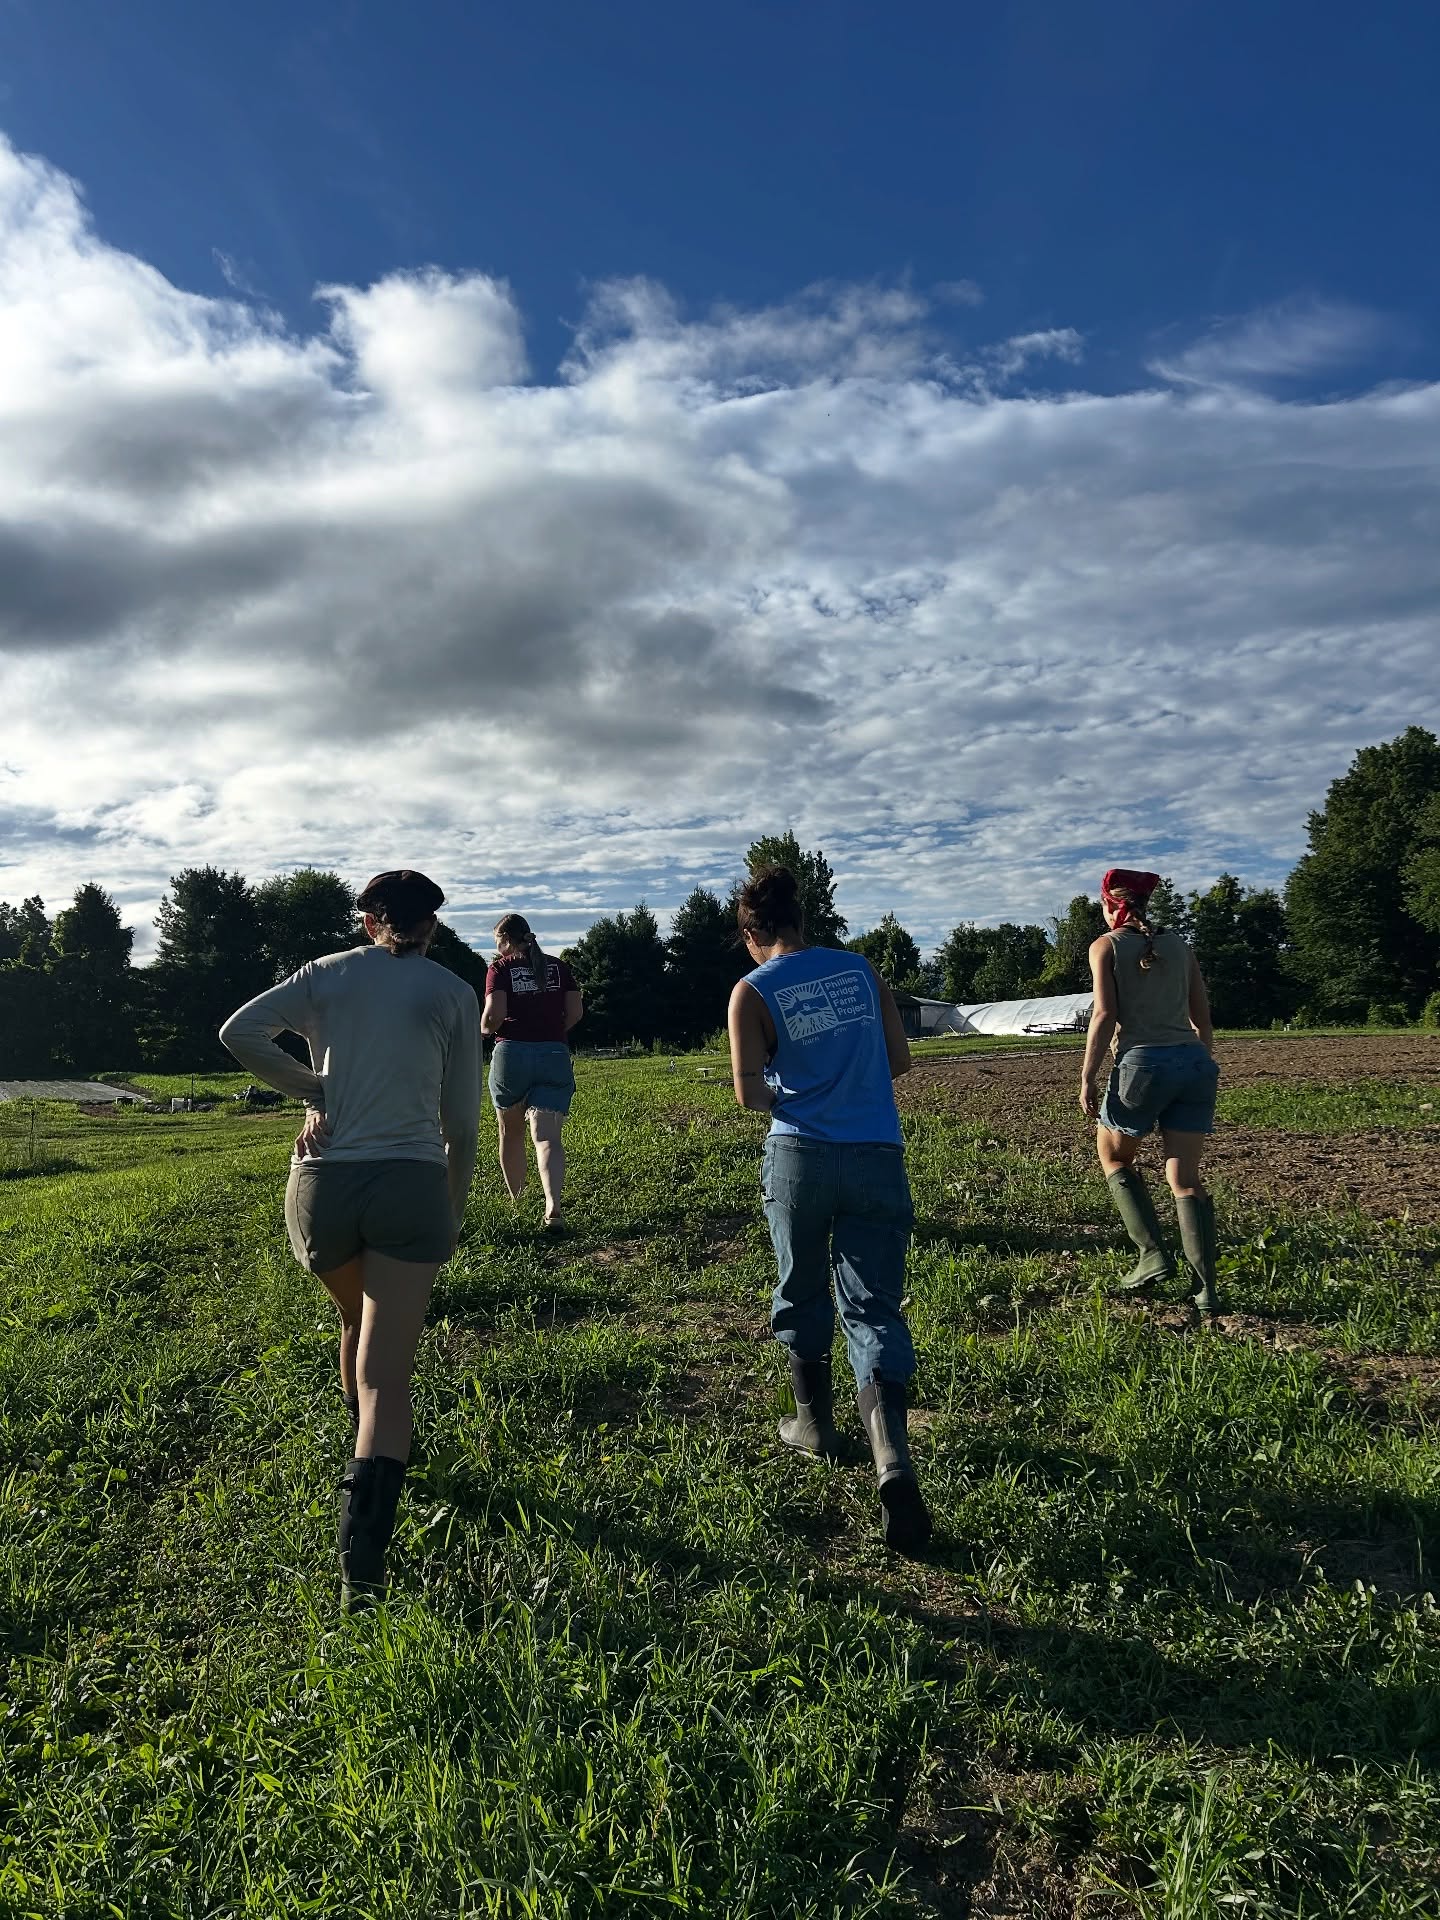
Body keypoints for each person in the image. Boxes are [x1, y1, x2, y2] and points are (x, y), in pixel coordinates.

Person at [219, 869, 481, 1609]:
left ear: (369, 921)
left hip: (321, 1186)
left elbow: (237, 1032)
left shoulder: (321, 977)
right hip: (408, 1186)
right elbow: (460, 1123)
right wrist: (451, 1207)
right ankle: (361, 1573)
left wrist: (315, 1089)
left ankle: (364, 1443)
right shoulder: (455, 995)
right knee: (386, 1376)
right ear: (431, 925)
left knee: (353, 1319)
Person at [727, 865, 932, 1553]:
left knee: (801, 1284)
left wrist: (793, 1084)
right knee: (873, 1306)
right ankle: (892, 1460)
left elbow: (750, 1095)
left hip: (799, 1156)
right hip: (877, 1150)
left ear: (751, 932)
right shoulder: (861, 970)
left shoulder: (750, 991)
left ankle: (813, 1425)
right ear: (801, 922)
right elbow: (899, 1061)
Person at [1079, 868, 1222, 1314]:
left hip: (1142, 1065)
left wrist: (1087, 1075)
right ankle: (1206, 1292)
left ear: (1110, 906)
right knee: (1184, 1178)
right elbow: (1203, 1020)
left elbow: (1104, 1014)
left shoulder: (1105, 946)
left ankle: (1151, 1255)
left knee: (1114, 1155)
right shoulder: (1181, 945)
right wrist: (1198, 1063)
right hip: (1195, 1064)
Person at [481, 914, 584, 1227]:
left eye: (497, 942)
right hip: (554, 1052)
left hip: (511, 1053)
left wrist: (484, 1030)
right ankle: (553, 1207)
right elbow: (576, 1012)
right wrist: (551, 1032)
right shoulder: (559, 966)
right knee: (548, 1137)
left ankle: (517, 1203)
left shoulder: (499, 968)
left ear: (506, 940)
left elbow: (494, 1015)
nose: (496, 949)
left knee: (511, 1133)